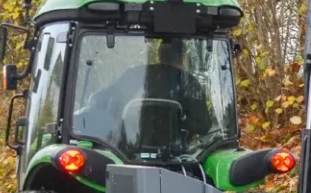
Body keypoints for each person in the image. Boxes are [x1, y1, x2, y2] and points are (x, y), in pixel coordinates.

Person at [87, 38, 216, 148]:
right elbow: (204, 126)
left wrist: (94, 99)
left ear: (160, 56)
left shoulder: (134, 75)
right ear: (183, 59)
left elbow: (103, 100)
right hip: (176, 154)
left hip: (131, 150)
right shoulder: (190, 83)